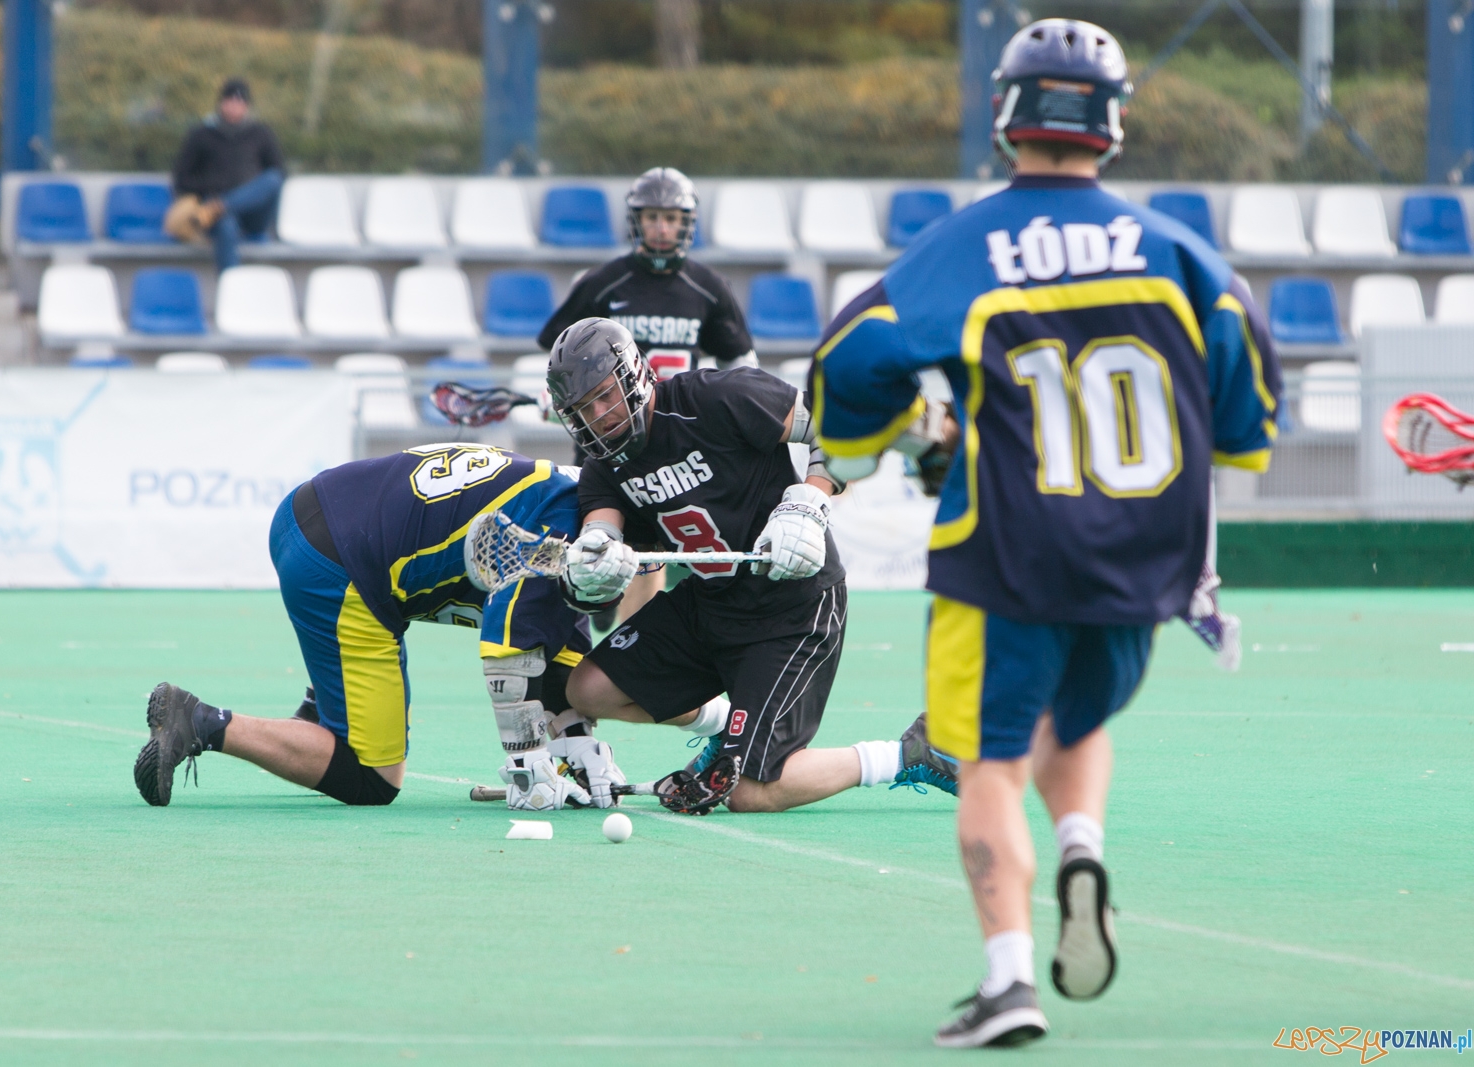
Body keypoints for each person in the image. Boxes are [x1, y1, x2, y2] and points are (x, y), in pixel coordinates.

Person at [811, 19, 1282, 1047]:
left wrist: (855, 449)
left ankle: (1008, 976)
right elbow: (1246, 411)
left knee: (986, 762)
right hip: (1140, 568)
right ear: (1110, 125)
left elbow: (850, 359)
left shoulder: (962, 247)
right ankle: (1079, 847)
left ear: (1005, 118)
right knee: (1076, 724)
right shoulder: (1183, 255)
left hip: (1006, 560)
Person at [542, 317, 963, 815]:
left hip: (791, 608)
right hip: (710, 604)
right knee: (587, 689)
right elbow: (602, 531)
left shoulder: (718, 397)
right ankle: (728, 731)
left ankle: (913, 752)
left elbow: (835, 429)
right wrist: (593, 563)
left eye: (602, 397)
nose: (597, 418)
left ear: (633, 374)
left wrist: (809, 499)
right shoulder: (604, 467)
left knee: (750, 794)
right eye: (580, 410)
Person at [134, 445, 631, 813]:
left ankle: (323, 711)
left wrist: (577, 743)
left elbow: (559, 649)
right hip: (340, 563)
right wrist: (531, 763)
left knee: (361, 711)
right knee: (373, 779)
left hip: (325, 513)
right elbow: (509, 651)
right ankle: (199, 721)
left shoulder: (572, 501)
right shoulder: (562, 537)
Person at [537, 167, 760, 624]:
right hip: (600, 440)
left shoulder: (708, 287)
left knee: (649, 551)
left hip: (667, 438)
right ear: (636, 220)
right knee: (589, 549)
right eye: (654, 216)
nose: (663, 227)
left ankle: (626, 654)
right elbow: (557, 352)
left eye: (672, 218)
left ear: (687, 223)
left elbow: (743, 367)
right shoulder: (604, 283)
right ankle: (588, 628)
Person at [168, 77, 285, 273]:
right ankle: (230, 290)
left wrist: (237, 198)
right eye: (230, 101)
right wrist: (211, 187)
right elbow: (182, 178)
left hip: (252, 213)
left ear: (247, 106)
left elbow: (279, 171)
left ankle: (221, 207)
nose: (234, 106)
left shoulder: (261, 133)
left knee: (273, 179)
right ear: (221, 103)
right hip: (212, 209)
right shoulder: (201, 134)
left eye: (239, 102)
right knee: (226, 225)